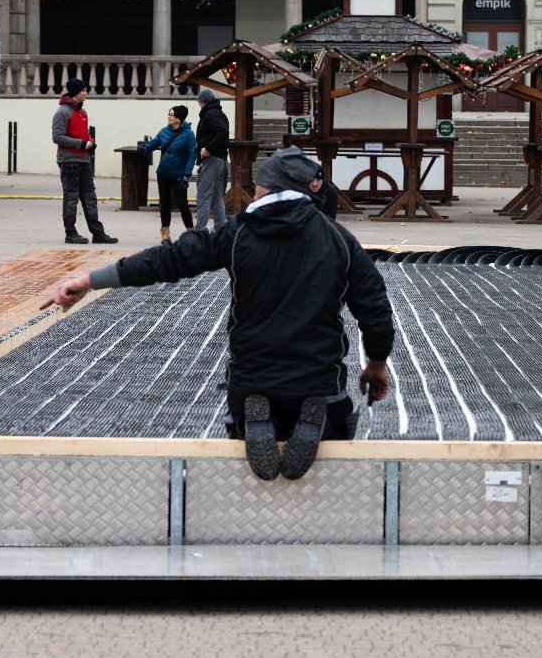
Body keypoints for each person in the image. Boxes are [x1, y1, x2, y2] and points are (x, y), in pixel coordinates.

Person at [40, 146, 392, 481]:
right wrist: (376, 364)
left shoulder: (236, 233)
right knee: (338, 415)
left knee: (246, 402)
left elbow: (168, 260)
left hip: (252, 376)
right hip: (319, 378)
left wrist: (91, 280)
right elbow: (375, 305)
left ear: (266, 188)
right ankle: (319, 418)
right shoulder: (338, 239)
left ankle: (252, 414)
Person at [51, 77, 117, 245]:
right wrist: (81, 143)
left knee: (90, 197)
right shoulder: (63, 112)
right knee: (71, 197)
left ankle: (98, 233)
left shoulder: (82, 112)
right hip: (68, 161)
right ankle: (70, 233)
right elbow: (57, 137)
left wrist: (90, 142)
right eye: (83, 91)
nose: (86, 93)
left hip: (83, 160)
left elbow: (84, 134)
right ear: (75, 93)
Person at [142, 104, 197, 241]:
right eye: (169, 114)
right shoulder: (164, 131)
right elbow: (154, 143)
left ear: (179, 118)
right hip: (163, 173)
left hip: (179, 175)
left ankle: (190, 233)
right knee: (164, 204)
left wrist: (186, 174)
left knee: (182, 204)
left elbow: (192, 155)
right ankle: (165, 233)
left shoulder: (188, 134)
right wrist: (144, 149)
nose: (168, 116)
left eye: (171, 114)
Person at [194, 88, 230, 231]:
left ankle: (199, 234)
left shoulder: (210, 114)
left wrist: (207, 148)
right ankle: (221, 234)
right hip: (222, 160)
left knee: (203, 198)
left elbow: (222, 132)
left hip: (212, 161)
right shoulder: (221, 114)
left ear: (203, 102)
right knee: (217, 200)